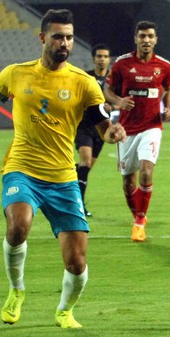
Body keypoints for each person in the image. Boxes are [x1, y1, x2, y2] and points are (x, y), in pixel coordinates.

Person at [0, 9, 126, 329]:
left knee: (76, 262)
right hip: (22, 168)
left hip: (63, 177)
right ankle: (16, 290)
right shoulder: (15, 73)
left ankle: (65, 310)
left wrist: (113, 133)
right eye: (58, 36)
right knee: (18, 226)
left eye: (69, 38)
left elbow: (103, 127)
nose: (64, 43)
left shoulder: (85, 83)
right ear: (43, 38)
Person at [103, 20, 170, 243]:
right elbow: (108, 90)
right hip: (126, 130)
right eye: (142, 36)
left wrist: (167, 108)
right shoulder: (122, 64)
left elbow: (169, 89)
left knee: (146, 171)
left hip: (152, 127)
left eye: (150, 36)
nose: (146, 40)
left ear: (156, 40)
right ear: (136, 39)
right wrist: (118, 101)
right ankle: (138, 214)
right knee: (128, 182)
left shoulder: (164, 66)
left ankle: (140, 222)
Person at [75, 43, 115, 217]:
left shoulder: (113, 80)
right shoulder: (86, 77)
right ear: (94, 58)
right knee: (85, 163)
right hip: (84, 125)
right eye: (99, 56)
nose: (102, 59)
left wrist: (112, 106)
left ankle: (66, 176)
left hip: (102, 128)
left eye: (105, 56)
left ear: (109, 59)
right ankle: (79, 205)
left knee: (86, 167)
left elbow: (117, 99)